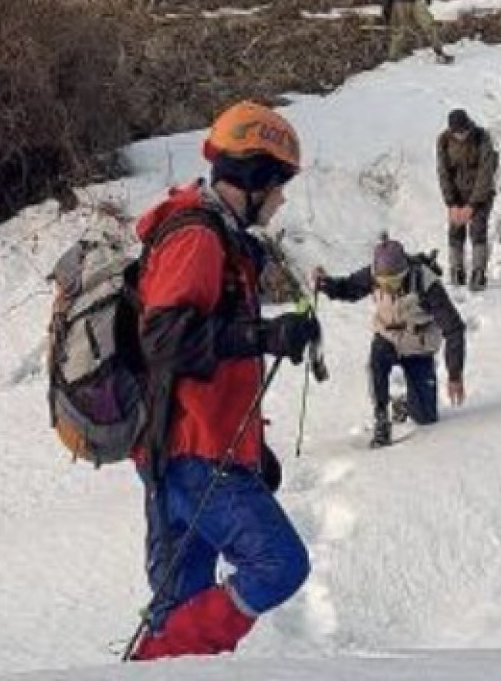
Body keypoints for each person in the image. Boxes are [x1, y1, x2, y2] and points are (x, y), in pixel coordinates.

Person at [130, 100, 321, 660]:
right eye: (279, 183)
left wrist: (251, 452)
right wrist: (262, 337)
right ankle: (155, 663)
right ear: (255, 178)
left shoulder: (219, 237)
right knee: (280, 563)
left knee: (179, 608)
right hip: (191, 455)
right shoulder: (198, 238)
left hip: (187, 451)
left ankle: (164, 659)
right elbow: (164, 340)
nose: (282, 198)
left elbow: (211, 358)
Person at [313, 237, 466, 448]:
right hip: (387, 337)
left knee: (426, 418)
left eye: (393, 282)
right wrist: (326, 284)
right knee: (376, 365)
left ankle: (404, 403)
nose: (387, 287)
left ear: (404, 272)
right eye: (382, 283)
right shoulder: (374, 274)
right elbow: (349, 288)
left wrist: (455, 375)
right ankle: (382, 419)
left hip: (419, 344)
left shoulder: (427, 283)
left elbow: (454, 328)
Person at [437, 109, 499, 290]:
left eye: (464, 131)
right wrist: (452, 204)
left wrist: (472, 205)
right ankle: (456, 270)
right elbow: (443, 173)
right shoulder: (443, 140)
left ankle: (479, 273)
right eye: (457, 132)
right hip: (457, 195)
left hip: (481, 194)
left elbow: (485, 173)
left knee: (478, 229)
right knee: (455, 230)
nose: (461, 135)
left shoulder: (482, 137)